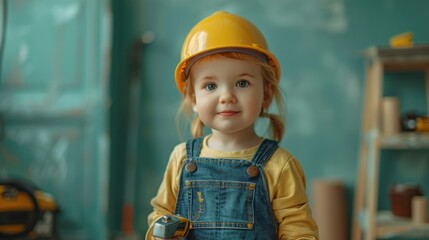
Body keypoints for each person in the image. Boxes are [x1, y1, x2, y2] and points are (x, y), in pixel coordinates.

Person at [146, 11, 319, 239]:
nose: (226, 96)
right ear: (193, 100)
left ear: (265, 94)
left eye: (242, 82)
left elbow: (299, 231)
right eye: (210, 86)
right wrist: (162, 232)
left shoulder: (280, 166)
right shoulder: (180, 159)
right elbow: (161, 215)